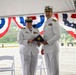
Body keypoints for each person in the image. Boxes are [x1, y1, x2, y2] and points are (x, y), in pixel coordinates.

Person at [41, 6, 60, 75]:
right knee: (48, 69)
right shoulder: (46, 22)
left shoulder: (54, 21)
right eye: (46, 12)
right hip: (46, 48)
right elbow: (45, 36)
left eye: (49, 12)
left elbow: (57, 35)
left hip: (52, 48)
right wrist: (42, 47)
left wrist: (48, 42)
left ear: (52, 13)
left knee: (54, 69)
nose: (47, 13)